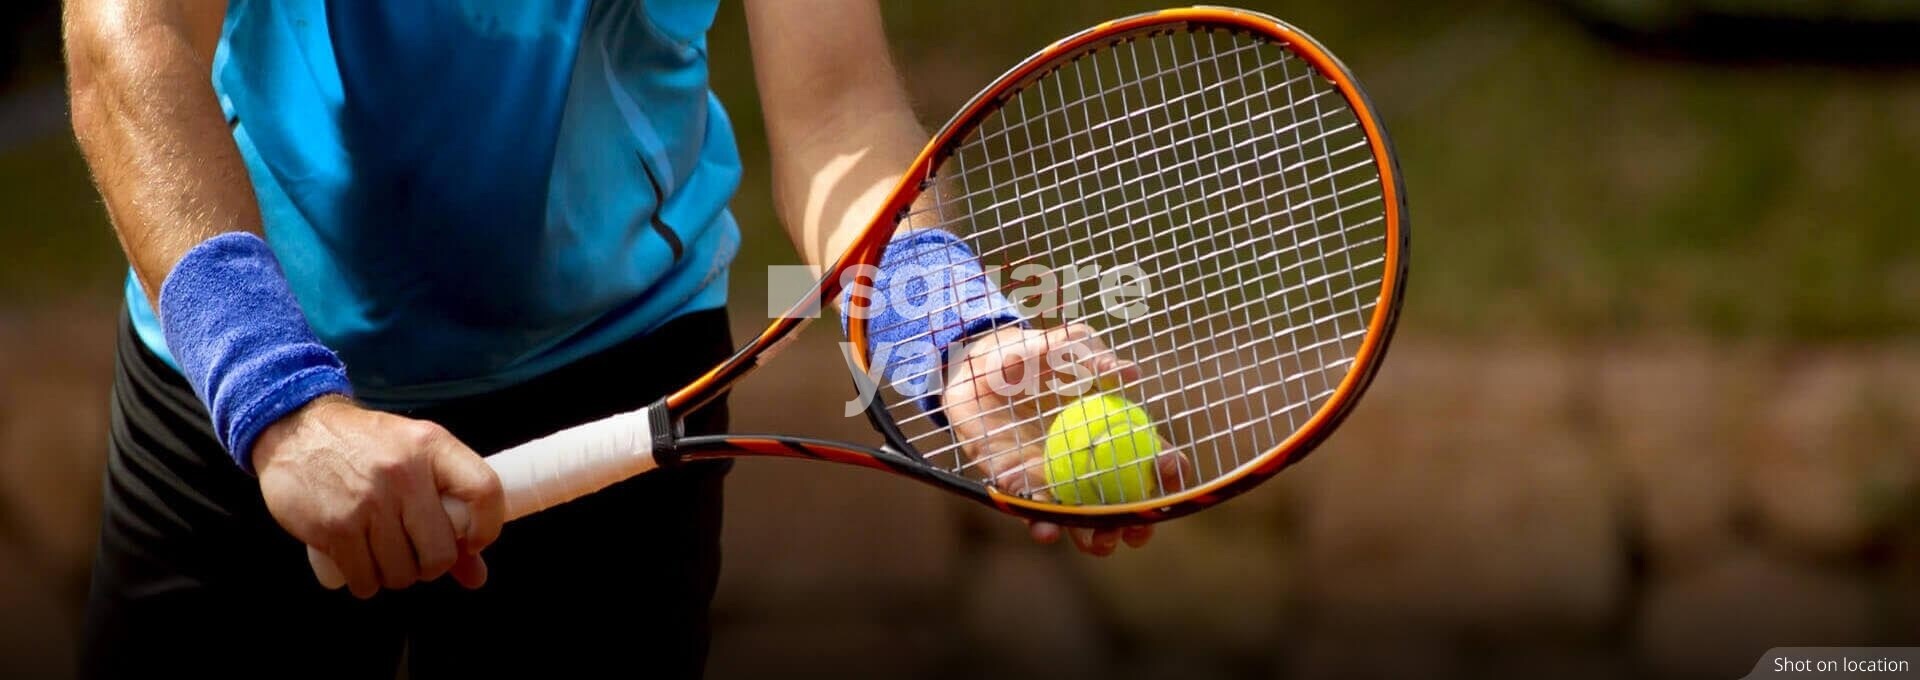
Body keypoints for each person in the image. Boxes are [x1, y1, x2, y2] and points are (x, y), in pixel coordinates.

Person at [64, 0, 1170, 677]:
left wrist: (948, 325)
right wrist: (282, 402)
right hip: (234, 375)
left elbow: (837, 113)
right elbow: (125, 37)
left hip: (616, 375)